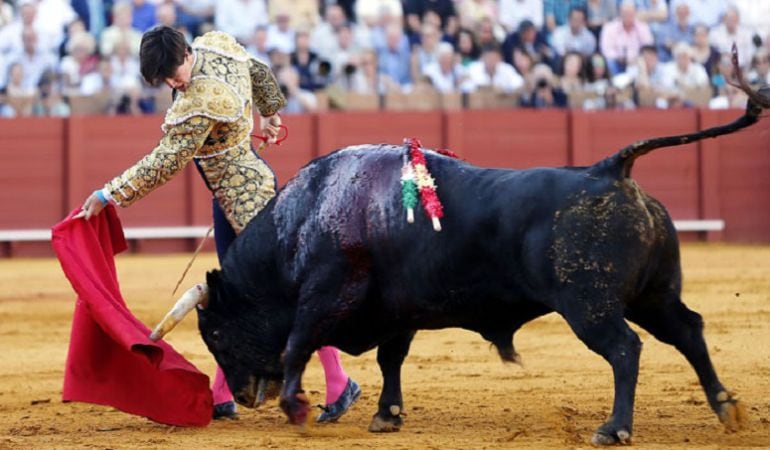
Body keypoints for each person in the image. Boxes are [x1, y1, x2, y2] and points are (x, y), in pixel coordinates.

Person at [74, 26, 360, 423]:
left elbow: (166, 161)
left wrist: (110, 193)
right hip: (234, 195)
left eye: (175, 74)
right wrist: (271, 111)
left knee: (289, 290)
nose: (175, 84)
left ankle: (338, 381)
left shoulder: (199, 100)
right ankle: (221, 395)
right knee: (233, 295)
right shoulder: (217, 45)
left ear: (186, 54)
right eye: (167, 81)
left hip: (248, 201)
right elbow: (257, 70)